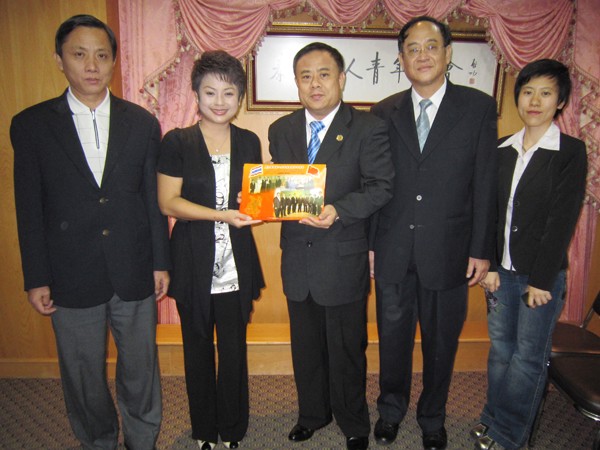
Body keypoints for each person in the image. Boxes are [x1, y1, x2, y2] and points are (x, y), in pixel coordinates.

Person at [10, 15, 170, 449]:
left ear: (115, 61)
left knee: (141, 367)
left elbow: (152, 199)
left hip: (133, 265)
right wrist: (36, 277)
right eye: (79, 54)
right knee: (82, 373)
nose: (92, 65)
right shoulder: (31, 125)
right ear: (59, 60)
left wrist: (160, 261)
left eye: (102, 55)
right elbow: (29, 209)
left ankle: (142, 439)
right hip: (69, 271)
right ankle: (98, 440)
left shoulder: (142, 123)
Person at [370, 16, 498, 450]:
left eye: (430, 46)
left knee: (441, 343)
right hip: (392, 247)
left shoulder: (478, 108)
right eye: (412, 48)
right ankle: (390, 411)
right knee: (393, 340)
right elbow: (375, 183)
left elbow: (485, 182)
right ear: (401, 58)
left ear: (448, 54)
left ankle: (432, 418)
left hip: (450, 249)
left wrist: (481, 248)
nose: (421, 55)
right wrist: (371, 244)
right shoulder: (383, 111)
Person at [268, 42, 394, 450]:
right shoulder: (281, 129)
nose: (315, 84)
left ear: (341, 78)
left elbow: (381, 187)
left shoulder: (368, 127)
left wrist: (338, 210)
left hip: (342, 255)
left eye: (324, 74)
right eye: (305, 76)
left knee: (346, 349)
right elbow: (282, 187)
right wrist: (259, 197)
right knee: (305, 347)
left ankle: (353, 422)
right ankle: (312, 414)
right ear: (296, 83)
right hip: (297, 257)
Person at [472, 59, 587, 450]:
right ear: (517, 97)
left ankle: (509, 435)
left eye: (546, 93)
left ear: (561, 101)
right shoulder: (502, 148)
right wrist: (489, 264)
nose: (534, 101)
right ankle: (492, 418)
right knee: (501, 352)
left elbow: (562, 220)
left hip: (539, 277)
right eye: (527, 92)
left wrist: (541, 279)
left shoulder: (569, 152)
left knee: (527, 358)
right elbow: (489, 211)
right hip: (500, 273)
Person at [157, 50, 265, 450]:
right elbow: (168, 202)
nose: (220, 102)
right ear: (196, 94)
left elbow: (253, 200)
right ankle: (204, 430)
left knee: (234, 351)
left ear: (240, 98)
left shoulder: (249, 141)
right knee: (197, 349)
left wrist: (254, 205)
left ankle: (233, 430)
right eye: (210, 92)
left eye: (229, 93)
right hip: (192, 261)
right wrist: (222, 214)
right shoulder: (178, 141)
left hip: (237, 263)